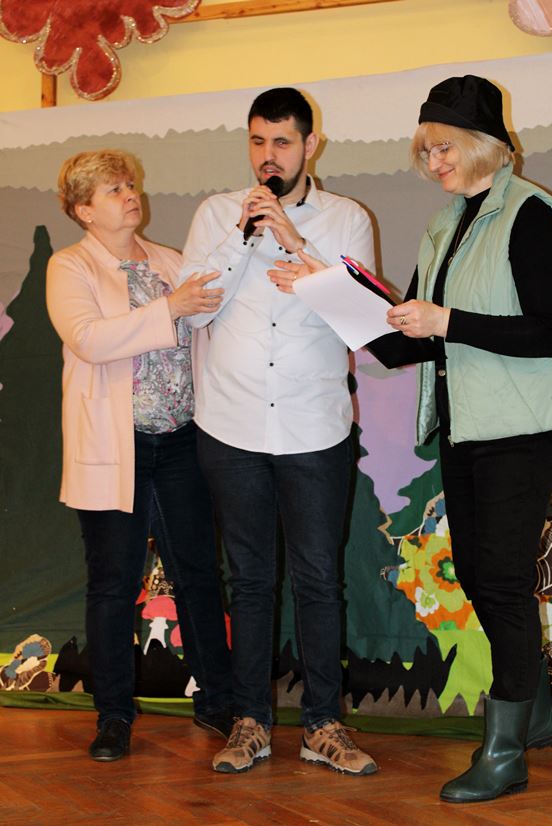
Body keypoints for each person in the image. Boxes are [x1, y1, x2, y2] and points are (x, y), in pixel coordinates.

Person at [273, 75, 552, 803]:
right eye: (425, 151)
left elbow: (546, 332)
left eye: (444, 148)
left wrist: (445, 322)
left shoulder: (532, 214)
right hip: (464, 427)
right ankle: (534, 712)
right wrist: (327, 293)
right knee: (478, 574)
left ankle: (505, 752)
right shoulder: (444, 224)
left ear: (486, 145)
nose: (433, 162)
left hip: (523, 428)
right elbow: (406, 341)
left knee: (500, 580)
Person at [179, 87, 378, 775]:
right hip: (231, 426)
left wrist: (300, 244)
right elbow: (193, 312)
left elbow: (362, 321)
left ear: (309, 145)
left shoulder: (346, 219)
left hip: (314, 427)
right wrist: (246, 238)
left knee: (319, 580)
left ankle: (323, 724)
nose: (269, 156)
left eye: (283, 142)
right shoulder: (217, 214)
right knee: (251, 581)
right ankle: (249, 724)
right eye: (258, 142)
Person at [46, 149, 233, 762]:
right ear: (83, 210)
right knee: (113, 585)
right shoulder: (69, 266)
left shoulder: (170, 262)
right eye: (113, 190)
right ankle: (113, 717)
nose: (131, 195)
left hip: (181, 440)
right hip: (115, 444)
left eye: (130, 184)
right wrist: (170, 308)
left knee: (198, 575)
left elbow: (214, 321)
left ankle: (219, 702)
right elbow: (89, 339)